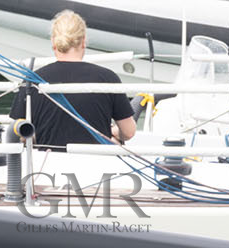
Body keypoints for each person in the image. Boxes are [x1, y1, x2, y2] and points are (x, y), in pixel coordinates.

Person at [12, 11, 136, 150]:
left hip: (47, 164)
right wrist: (112, 132)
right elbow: (129, 132)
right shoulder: (108, 78)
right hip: (98, 163)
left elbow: (17, 133)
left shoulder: (32, 80)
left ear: (54, 42)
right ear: (83, 41)